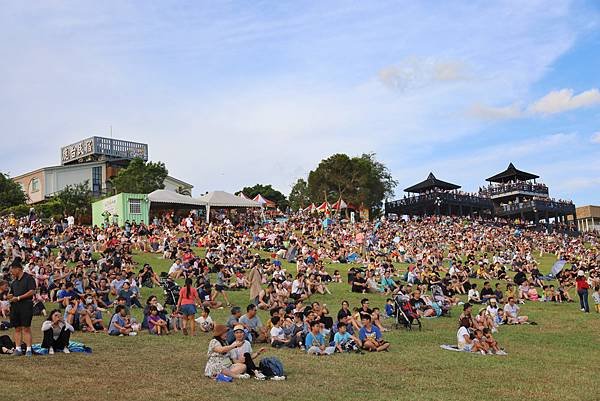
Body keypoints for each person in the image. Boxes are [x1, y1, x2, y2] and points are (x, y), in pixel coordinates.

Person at [8, 258, 37, 356]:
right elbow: (11, 293)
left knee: (26, 328)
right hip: (15, 306)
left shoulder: (28, 278)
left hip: (26, 305)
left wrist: (19, 297)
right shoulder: (14, 282)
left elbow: (32, 291)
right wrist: (10, 296)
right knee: (17, 328)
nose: (11, 273)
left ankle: (28, 349)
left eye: (12, 270)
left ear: (18, 269)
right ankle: (18, 349)